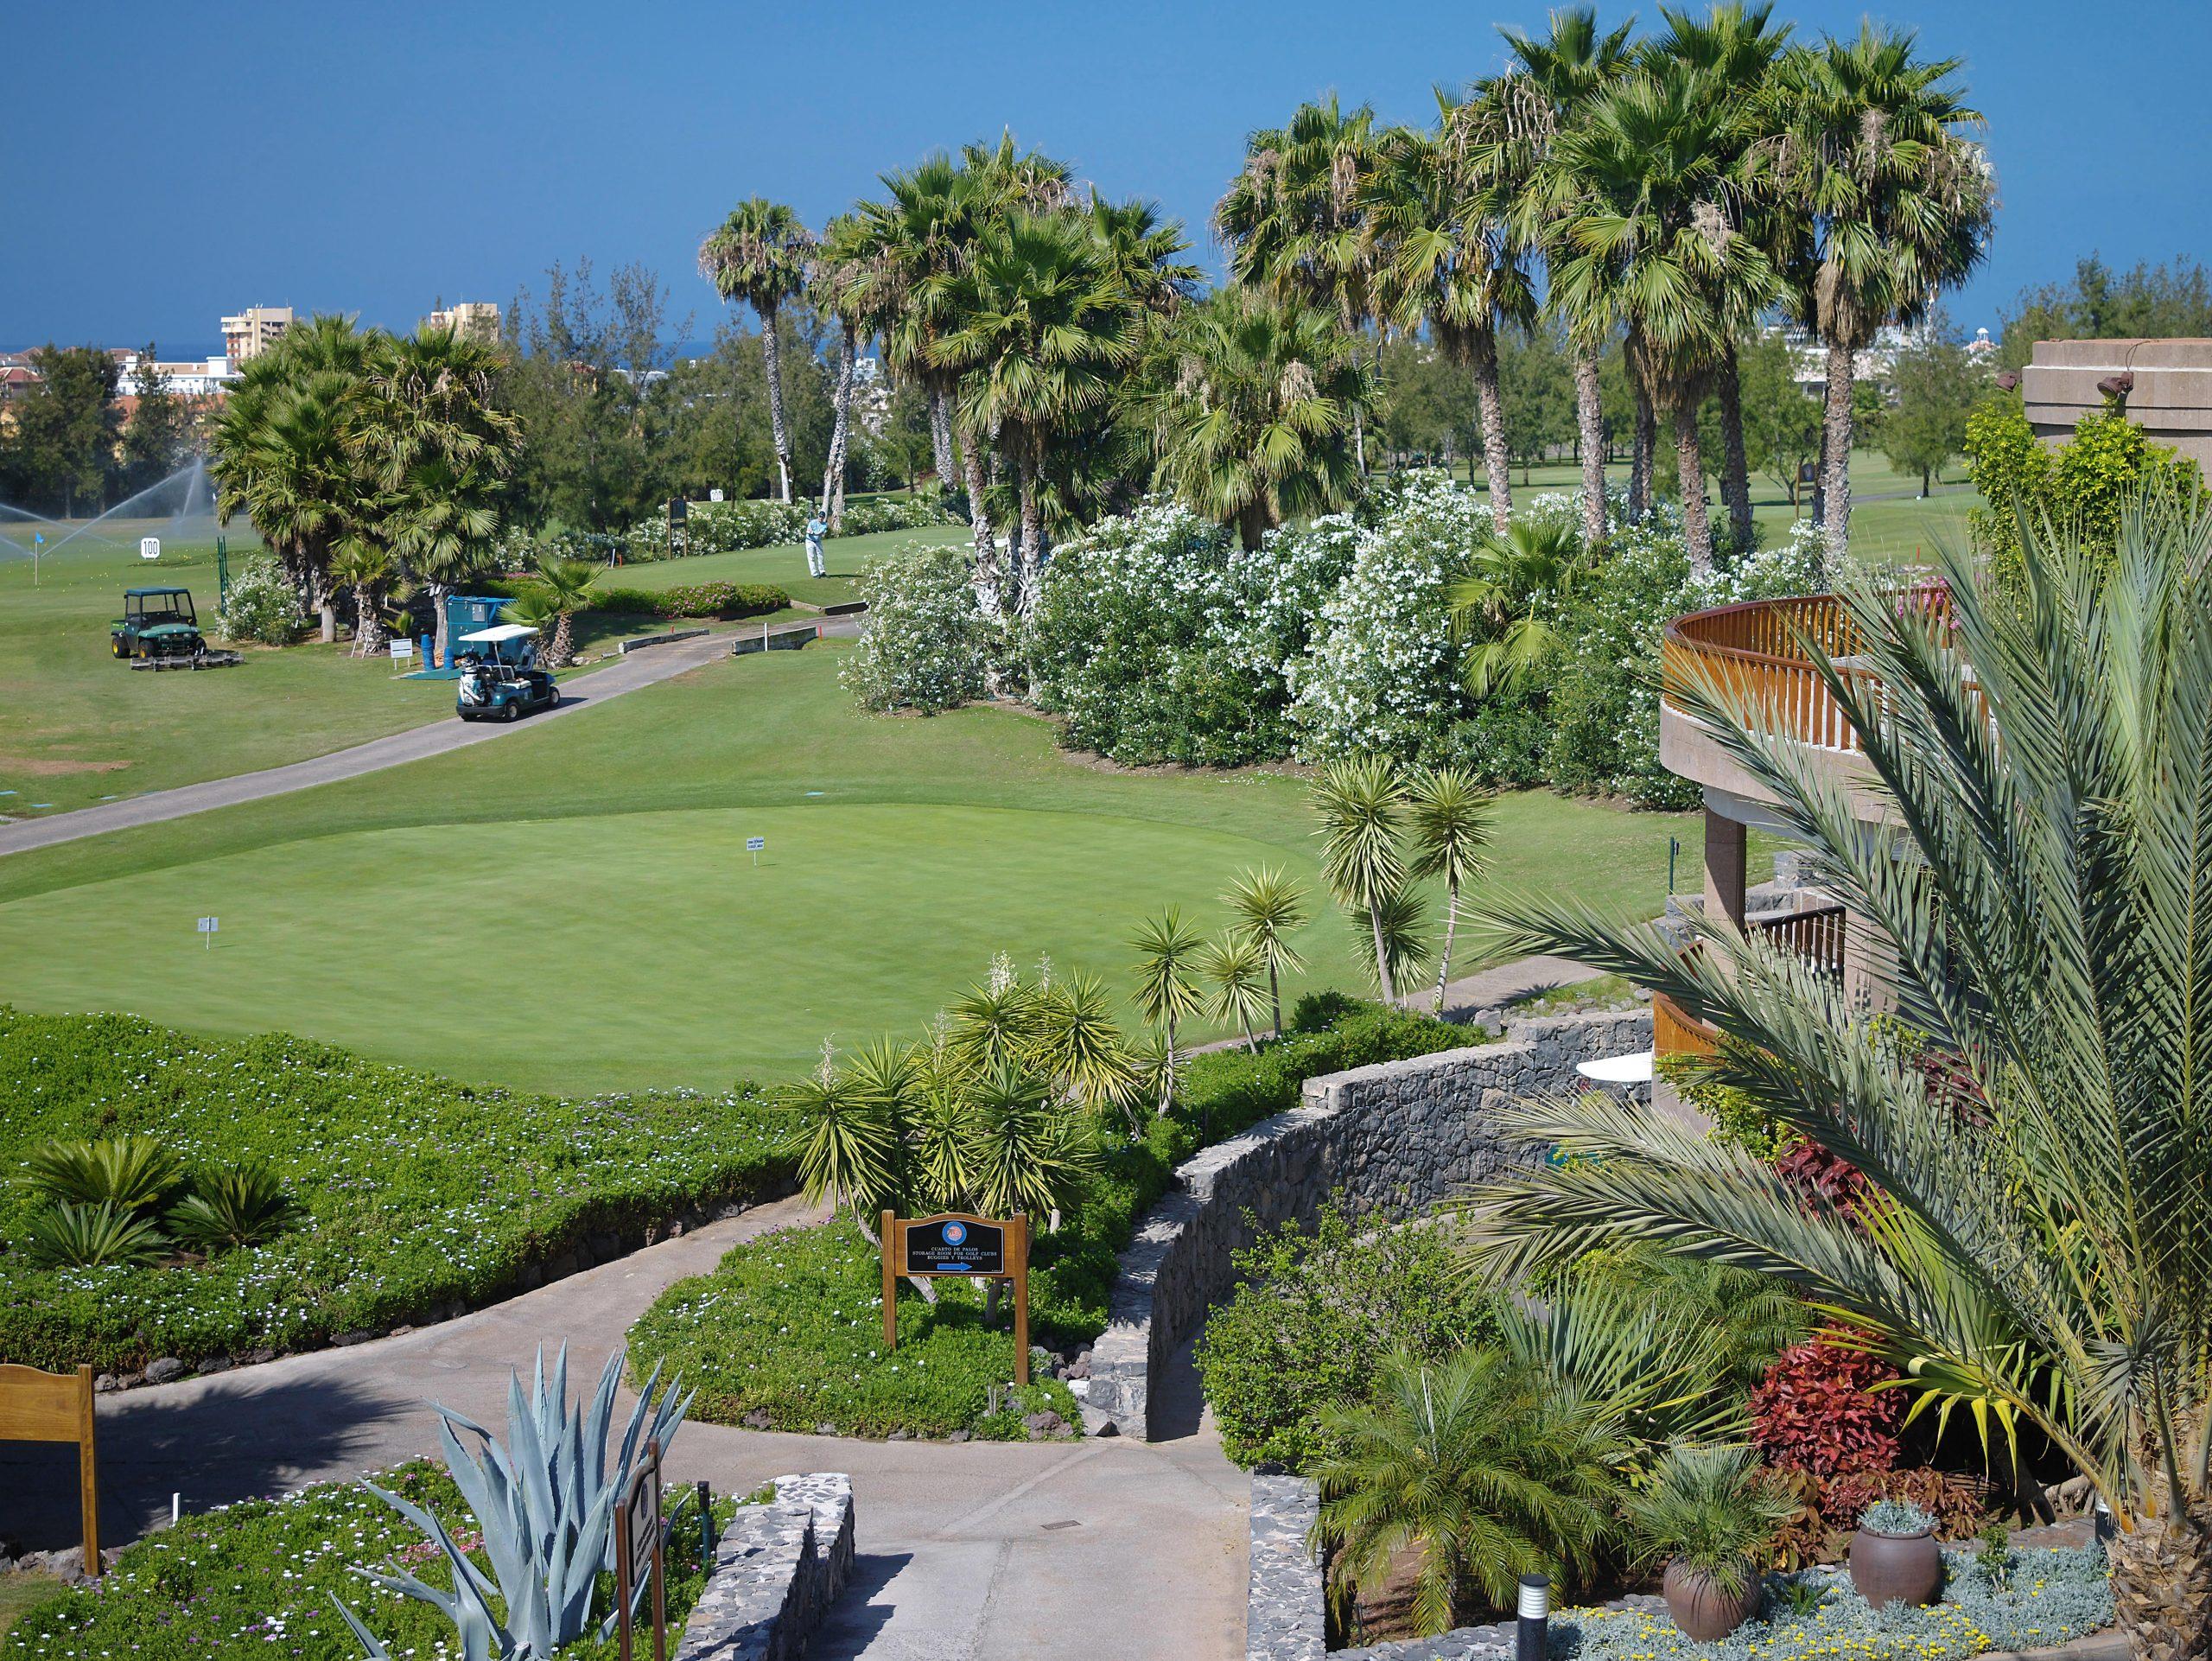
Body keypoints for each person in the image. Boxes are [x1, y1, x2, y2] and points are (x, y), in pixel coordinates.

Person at [804, 512, 828, 579]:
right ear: (818, 516)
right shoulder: (812, 522)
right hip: (809, 541)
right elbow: (808, 531)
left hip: (818, 542)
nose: (821, 518)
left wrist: (814, 532)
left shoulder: (824, 525)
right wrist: (811, 532)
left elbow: (820, 533)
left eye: (822, 517)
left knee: (820, 557)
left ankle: (822, 572)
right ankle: (814, 574)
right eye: (820, 516)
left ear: (824, 518)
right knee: (811, 557)